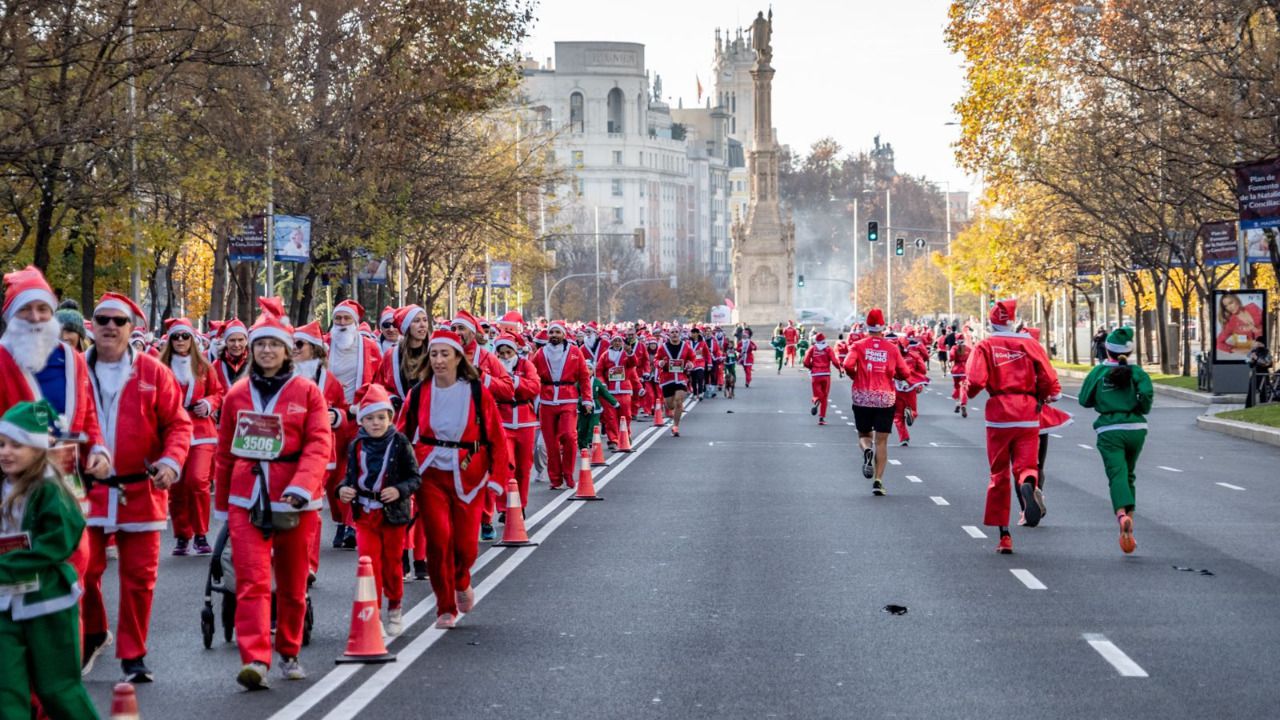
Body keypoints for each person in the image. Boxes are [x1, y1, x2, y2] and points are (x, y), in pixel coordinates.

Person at [214, 298, 333, 688]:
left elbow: (319, 443)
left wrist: (302, 486)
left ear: (287, 351)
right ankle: (255, 659)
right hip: (247, 496)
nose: (267, 351)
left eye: (274, 345)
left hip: (297, 498)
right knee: (251, 581)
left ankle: (289, 650)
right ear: (252, 350)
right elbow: (224, 450)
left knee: (293, 584)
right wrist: (222, 504)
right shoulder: (237, 394)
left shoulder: (308, 393)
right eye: (260, 345)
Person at [83, 293, 192, 683]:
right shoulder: (75, 371)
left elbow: (179, 425)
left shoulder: (153, 372)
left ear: (132, 329)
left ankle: (133, 655)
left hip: (141, 490)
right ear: (91, 326)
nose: (109, 327)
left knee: (139, 578)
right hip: (86, 490)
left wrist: (170, 462)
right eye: (102, 320)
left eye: (118, 321)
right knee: (82, 570)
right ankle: (94, 631)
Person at [398, 330, 511, 629]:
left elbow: (497, 439)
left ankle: (462, 579)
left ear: (459, 357)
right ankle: (444, 606)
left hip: (468, 473)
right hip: (430, 473)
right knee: (438, 540)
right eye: (433, 354)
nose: (438, 360)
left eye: (444, 354)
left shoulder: (476, 392)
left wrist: (497, 478)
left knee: (465, 547)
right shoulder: (419, 392)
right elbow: (401, 434)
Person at [0, 400, 99, 720]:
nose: (6, 452)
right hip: (4, 605)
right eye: (1, 444)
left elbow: (57, 543)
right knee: (6, 691)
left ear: (38, 448)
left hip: (48, 602)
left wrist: (7, 568)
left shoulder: (52, 489)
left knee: (58, 690)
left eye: (17, 444)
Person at [965, 300, 1058, 554]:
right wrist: (1048, 395)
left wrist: (970, 393)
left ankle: (1004, 535)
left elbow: (975, 380)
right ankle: (1029, 482)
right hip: (1028, 412)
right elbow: (1049, 377)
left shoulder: (985, 346)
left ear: (990, 322)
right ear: (1012, 321)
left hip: (999, 414)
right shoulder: (1029, 343)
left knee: (998, 475)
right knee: (1027, 465)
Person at [337, 384, 420, 636]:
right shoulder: (356, 445)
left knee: (392, 565)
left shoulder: (400, 442)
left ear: (389, 418)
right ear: (361, 421)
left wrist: (399, 490)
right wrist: (343, 489)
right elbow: (349, 477)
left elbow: (415, 478)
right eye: (370, 418)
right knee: (368, 564)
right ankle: (373, 613)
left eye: (381, 417)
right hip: (364, 513)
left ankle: (394, 608)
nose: (376, 423)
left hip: (393, 514)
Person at [1080, 327, 1152, 554]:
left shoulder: (1099, 372)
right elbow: (1147, 396)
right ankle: (1129, 529)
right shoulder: (1138, 372)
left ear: (1107, 349)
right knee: (1129, 474)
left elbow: (1084, 400)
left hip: (1110, 430)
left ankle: (1122, 515)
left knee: (1117, 475)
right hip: (1137, 429)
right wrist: (1139, 407)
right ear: (1129, 352)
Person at [160, 317, 224, 557]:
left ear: (192, 339)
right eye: (176, 337)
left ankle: (200, 533)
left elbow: (218, 392)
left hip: (201, 432)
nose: (180, 341)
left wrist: (208, 403)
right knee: (175, 486)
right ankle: (182, 535)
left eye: (185, 336)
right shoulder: (160, 366)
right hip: (171, 432)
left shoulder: (204, 367)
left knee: (197, 482)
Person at [292, 321, 351, 579]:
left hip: (320, 455)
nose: (293, 349)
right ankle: (288, 561)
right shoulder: (282, 376)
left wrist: (335, 416)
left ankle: (308, 565)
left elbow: (345, 411)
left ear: (314, 349)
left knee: (311, 509)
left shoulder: (331, 382)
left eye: (299, 344)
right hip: (287, 454)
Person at [842, 309, 908, 495]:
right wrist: (896, 375)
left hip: (862, 396)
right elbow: (905, 373)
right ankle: (878, 480)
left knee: (864, 435)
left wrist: (855, 376)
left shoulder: (858, 345)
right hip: (885, 398)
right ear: (883, 326)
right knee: (882, 442)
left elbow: (847, 365)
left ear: (867, 326)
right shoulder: (892, 348)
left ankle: (866, 451)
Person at [531, 321, 593, 489]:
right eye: (551, 333)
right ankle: (555, 479)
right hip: (547, 400)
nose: (554, 336)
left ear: (564, 334)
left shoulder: (574, 352)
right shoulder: (540, 353)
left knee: (569, 436)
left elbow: (584, 377)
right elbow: (531, 375)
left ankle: (568, 474)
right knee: (550, 443)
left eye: (557, 332)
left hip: (568, 398)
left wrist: (587, 399)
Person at [493, 333, 540, 512]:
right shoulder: (495, 367)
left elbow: (535, 386)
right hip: (502, 421)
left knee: (523, 467)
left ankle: (521, 505)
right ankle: (505, 507)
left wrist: (515, 382)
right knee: (505, 464)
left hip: (525, 421)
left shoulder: (526, 364)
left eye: (509, 352)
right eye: (502, 353)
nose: (505, 356)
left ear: (515, 350)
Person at [654, 331, 698, 437]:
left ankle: (675, 426)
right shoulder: (663, 347)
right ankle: (673, 412)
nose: (674, 334)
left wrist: (690, 363)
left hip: (681, 378)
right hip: (667, 379)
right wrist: (660, 363)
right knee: (670, 405)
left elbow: (692, 357)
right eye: (672, 332)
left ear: (679, 334)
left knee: (678, 402)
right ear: (669, 335)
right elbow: (656, 359)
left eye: (676, 332)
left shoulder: (686, 346)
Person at [597, 334, 635, 450]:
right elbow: (599, 371)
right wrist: (602, 383)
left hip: (624, 389)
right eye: (615, 341)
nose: (617, 343)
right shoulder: (605, 355)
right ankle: (613, 439)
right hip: (610, 391)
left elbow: (633, 363)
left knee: (626, 415)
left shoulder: (626, 354)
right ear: (611, 342)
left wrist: (630, 353)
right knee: (611, 417)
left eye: (619, 341)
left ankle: (626, 435)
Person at [802, 332, 839, 425]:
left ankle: (816, 399)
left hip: (815, 376)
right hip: (826, 375)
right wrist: (840, 368)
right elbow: (834, 361)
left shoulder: (812, 348)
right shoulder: (828, 349)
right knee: (825, 397)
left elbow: (805, 362)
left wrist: (812, 367)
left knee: (817, 395)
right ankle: (821, 418)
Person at [1216, 292, 1263, 357]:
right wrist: (1236, 350)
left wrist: (1255, 330)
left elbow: (1267, 324)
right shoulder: (1231, 323)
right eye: (1226, 306)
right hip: (1255, 355)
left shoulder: (1252, 306)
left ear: (1237, 300)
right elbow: (1218, 343)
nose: (1229, 307)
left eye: (1231, 303)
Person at [212, 319, 251, 389]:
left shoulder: (255, 364)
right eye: (232, 340)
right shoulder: (216, 366)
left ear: (246, 341)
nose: (236, 344)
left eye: (240, 340)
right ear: (226, 342)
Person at [949, 335, 971, 417]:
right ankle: (963, 404)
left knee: (957, 387)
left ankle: (957, 403)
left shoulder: (954, 348)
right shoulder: (968, 349)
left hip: (956, 370)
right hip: (965, 370)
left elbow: (951, 358)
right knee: (964, 388)